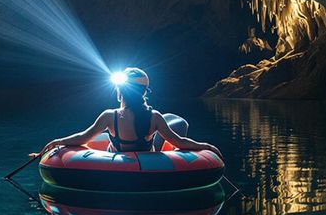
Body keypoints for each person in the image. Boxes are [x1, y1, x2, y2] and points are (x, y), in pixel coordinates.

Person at [40, 67, 223, 158]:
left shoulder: (109, 116)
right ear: (144, 92)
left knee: (104, 134)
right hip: (147, 155)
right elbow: (180, 142)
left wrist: (58, 142)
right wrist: (206, 146)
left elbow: (83, 138)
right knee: (178, 123)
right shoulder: (154, 117)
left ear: (120, 91)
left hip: (117, 156)